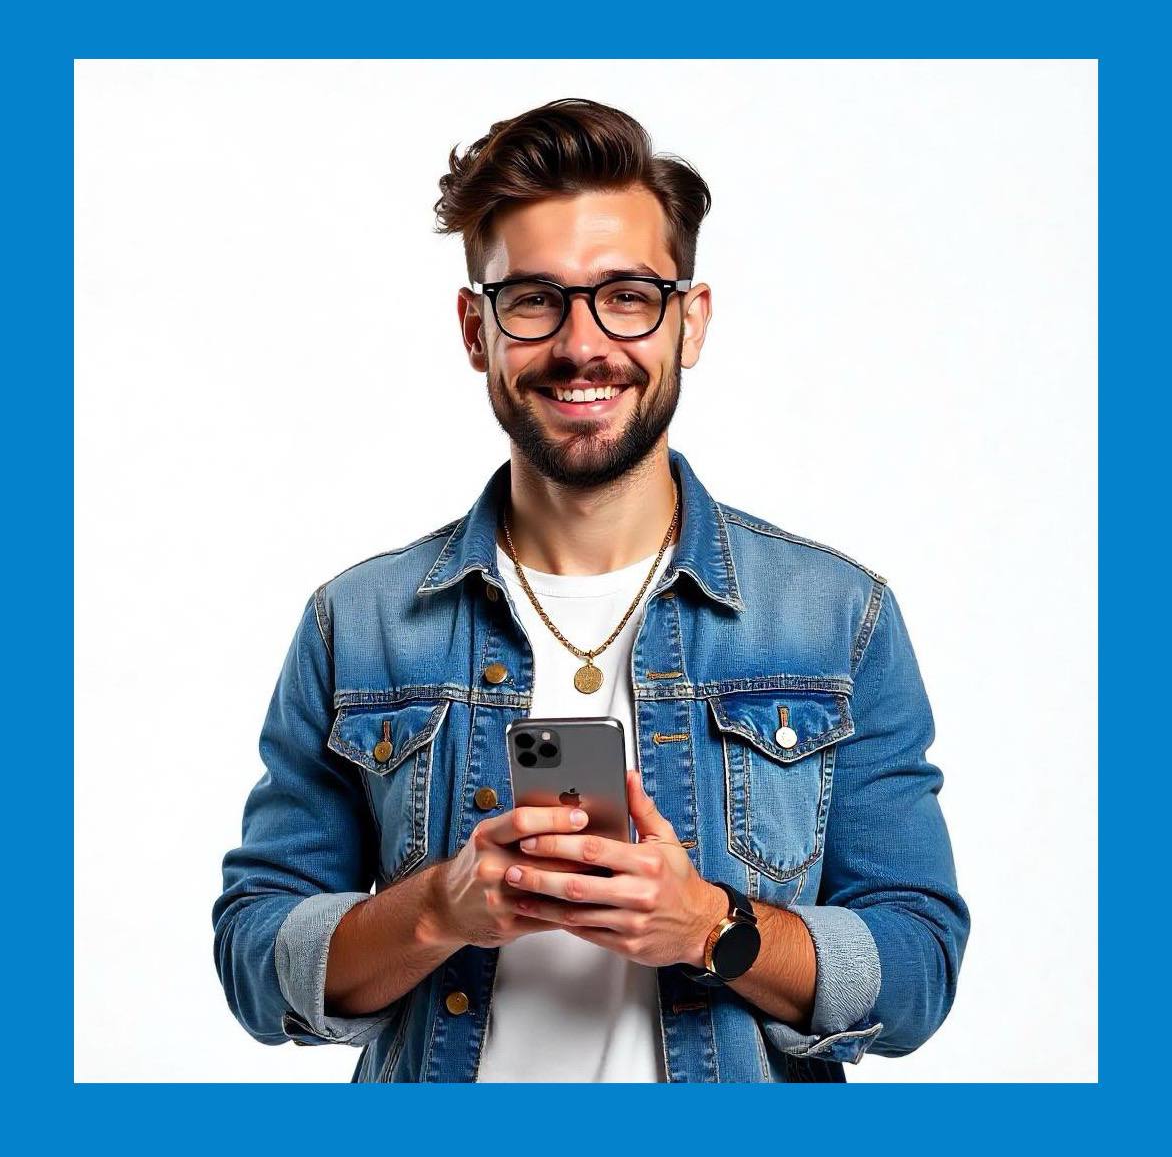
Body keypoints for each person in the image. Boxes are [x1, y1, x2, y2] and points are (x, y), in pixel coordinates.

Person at [212, 96, 970, 1083]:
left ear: (686, 321)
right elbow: (254, 953)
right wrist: (437, 908)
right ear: (474, 328)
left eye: (625, 294)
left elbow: (916, 967)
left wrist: (712, 927)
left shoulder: (833, 620)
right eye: (532, 298)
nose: (580, 343)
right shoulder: (357, 626)